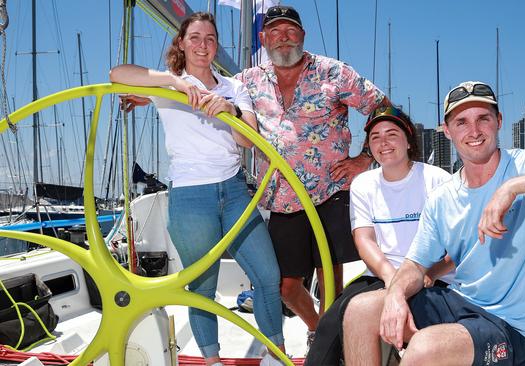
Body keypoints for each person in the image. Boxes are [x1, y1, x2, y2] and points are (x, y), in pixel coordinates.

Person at [342, 81, 525, 366]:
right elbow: (415, 265)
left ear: (499, 121)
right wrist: (395, 295)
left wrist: (512, 188)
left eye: (483, 119)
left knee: (425, 348)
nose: (474, 131)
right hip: (460, 303)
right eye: (461, 122)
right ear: (447, 131)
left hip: (513, 326)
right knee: (360, 310)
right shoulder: (442, 198)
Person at [109, 12, 285, 366]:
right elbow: (117, 75)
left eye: (209, 39)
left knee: (268, 276)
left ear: (216, 45)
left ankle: (275, 355)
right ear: (182, 44)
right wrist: (174, 84)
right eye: (195, 38)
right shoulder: (167, 84)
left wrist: (231, 110)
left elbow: (246, 140)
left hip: (234, 192)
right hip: (191, 197)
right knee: (202, 288)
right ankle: (212, 361)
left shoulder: (233, 88)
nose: (203, 46)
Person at [235, 5, 390, 345]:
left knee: (328, 278)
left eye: (290, 30)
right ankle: (320, 328)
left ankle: (331, 342)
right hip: (282, 196)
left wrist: (365, 158)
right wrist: (150, 97)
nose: (283, 37)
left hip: (330, 190)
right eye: (275, 31)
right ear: (264, 38)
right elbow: (208, 91)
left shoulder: (333, 72)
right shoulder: (247, 80)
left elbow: (382, 106)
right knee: (285, 287)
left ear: (302, 36)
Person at [304, 105, 455, 366]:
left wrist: (430, 274)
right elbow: (364, 240)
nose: (383, 143)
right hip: (381, 274)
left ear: (408, 140)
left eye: (392, 134)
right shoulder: (364, 183)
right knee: (330, 324)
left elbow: (459, 246)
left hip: (431, 276)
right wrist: (390, 277)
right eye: (375, 137)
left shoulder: (437, 180)